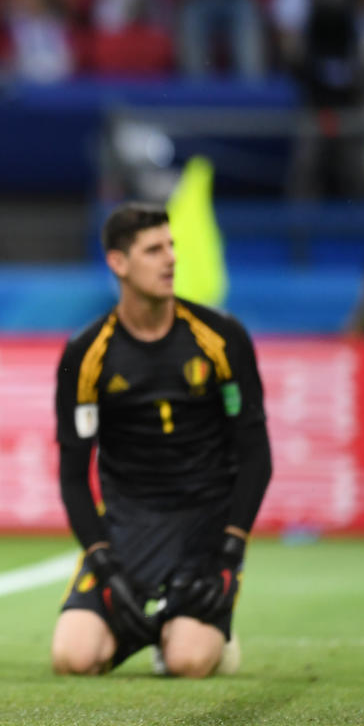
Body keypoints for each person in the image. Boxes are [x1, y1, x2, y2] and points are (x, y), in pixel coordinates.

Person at [50, 203, 271, 678]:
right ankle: (156, 625)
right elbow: (72, 476)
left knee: (187, 661)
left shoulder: (222, 337)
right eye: (154, 250)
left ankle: (197, 636)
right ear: (118, 263)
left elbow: (256, 456)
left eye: (171, 246)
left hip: (206, 529)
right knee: (73, 658)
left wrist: (231, 554)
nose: (170, 258)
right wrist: (104, 565)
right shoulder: (85, 353)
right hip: (129, 529)